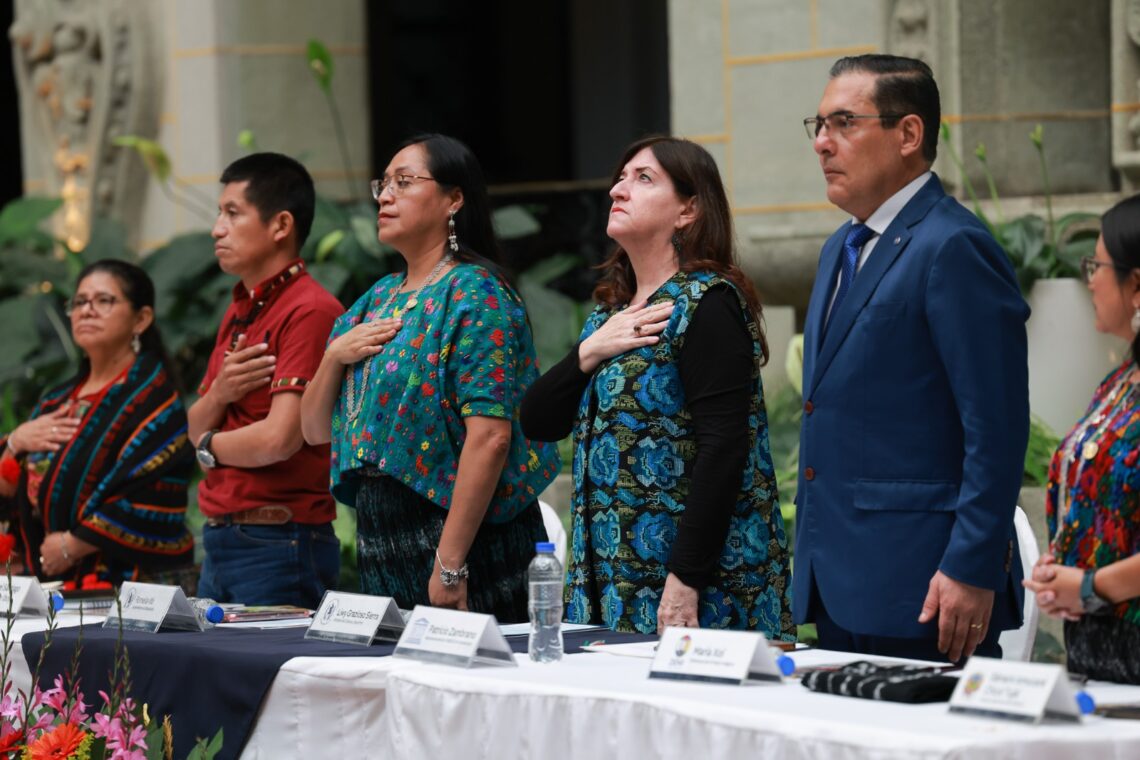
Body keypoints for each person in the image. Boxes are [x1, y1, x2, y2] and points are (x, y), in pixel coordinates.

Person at [795, 54, 1029, 662]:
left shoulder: (954, 245)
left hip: (926, 587)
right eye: (818, 125)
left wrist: (972, 565)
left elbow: (996, 428)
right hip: (836, 580)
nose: (822, 143)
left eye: (844, 123)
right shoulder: (839, 248)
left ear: (908, 134)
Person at [519, 136, 795, 639]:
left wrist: (686, 579)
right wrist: (588, 351)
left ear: (688, 210)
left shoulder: (707, 302)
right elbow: (538, 419)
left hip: (694, 584)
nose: (618, 190)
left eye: (643, 178)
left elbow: (724, 447)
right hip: (611, 576)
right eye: (620, 178)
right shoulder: (609, 316)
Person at [300, 134, 560, 622]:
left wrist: (451, 564)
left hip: (463, 538)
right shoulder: (376, 299)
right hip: (382, 532)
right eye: (383, 184)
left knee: (478, 668)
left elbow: (491, 437)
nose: (384, 196)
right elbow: (313, 430)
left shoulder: (476, 293)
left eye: (403, 182)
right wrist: (333, 356)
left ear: (454, 199)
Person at [189, 152, 344, 608]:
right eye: (219, 213)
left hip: (280, 540)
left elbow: (280, 439)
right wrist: (221, 393)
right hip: (223, 537)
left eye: (232, 213)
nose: (217, 229)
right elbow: (194, 422)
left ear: (280, 225)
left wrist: (208, 446)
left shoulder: (310, 309)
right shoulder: (242, 306)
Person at [0, 260, 194, 585]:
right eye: (79, 302)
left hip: (130, 586)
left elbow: (155, 495)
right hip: (49, 581)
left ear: (141, 319)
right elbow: (8, 485)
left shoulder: (154, 400)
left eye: (104, 300)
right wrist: (15, 442)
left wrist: (72, 545)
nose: (86, 311)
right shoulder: (56, 400)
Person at [1023, 195, 1140, 684]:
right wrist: (1062, 569)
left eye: (1098, 266)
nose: (1089, 278)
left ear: (1137, 285)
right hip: (1096, 652)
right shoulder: (1119, 383)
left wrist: (1090, 586)